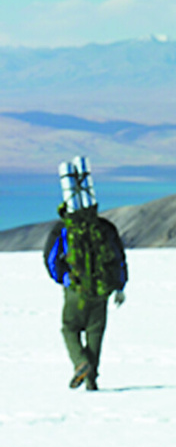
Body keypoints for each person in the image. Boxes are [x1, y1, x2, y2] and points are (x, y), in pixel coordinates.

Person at [44, 158, 128, 391]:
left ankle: (80, 363)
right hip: (101, 290)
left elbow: (50, 259)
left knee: (69, 329)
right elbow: (119, 257)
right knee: (95, 333)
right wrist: (120, 286)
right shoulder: (105, 227)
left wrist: (64, 278)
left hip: (76, 289)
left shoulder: (62, 229)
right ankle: (92, 380)